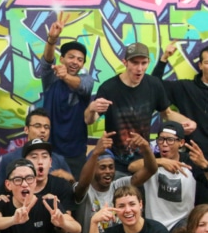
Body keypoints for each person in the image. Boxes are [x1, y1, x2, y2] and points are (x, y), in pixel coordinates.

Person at [84, 42, 196, 175]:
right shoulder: (109, 88)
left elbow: (167, 113)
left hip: (143, 159)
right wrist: (91, 109)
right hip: (116, 161)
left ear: (148, 62)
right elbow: (89, 120)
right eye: (135, 63)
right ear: (125, 62)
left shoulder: (154, 85)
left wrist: (189, 121)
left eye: (144, 63)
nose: (139, 68)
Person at [73, 130, 157, 233]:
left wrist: (146, 148)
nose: (108, 172)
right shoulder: (84, 190)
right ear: (92, 168)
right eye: (102, 167)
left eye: (111, 167)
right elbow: (83, 184)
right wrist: (95, 152)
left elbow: (150, 170)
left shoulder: (119, 185)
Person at [128, 121, 206, 233]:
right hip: (154, 225)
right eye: (161, 139)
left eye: (170, 140)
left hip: (182, 224)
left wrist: (205, 165)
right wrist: (161, 161)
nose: (164, 144)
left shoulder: (190, 162)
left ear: (181, 142)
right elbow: (132, 166)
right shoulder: (152, 160)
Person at [40, 20, 94, 179]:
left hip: (76, 153)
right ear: (62, 59)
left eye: (79, 59)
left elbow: (82, 86)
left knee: (74, 194)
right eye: (71, 57)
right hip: (50, 151)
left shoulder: (87, 80)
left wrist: (65, 76)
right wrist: (51, 39)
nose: (75, 62)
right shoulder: (51, 78)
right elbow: (47, 60)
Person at [0, 107, 72, 192]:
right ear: (26, 129)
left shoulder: (59, 160)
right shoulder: (9, 159)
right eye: (37, 126)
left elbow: (71, 190)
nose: (43, 130)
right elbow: (0, 192)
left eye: (46, 127)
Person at [152, 42, 208, 156]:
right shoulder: (186, 88)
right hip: (194, 155)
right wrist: (164, 58)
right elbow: (154, 86)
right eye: (207, 62)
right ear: (200, 65)